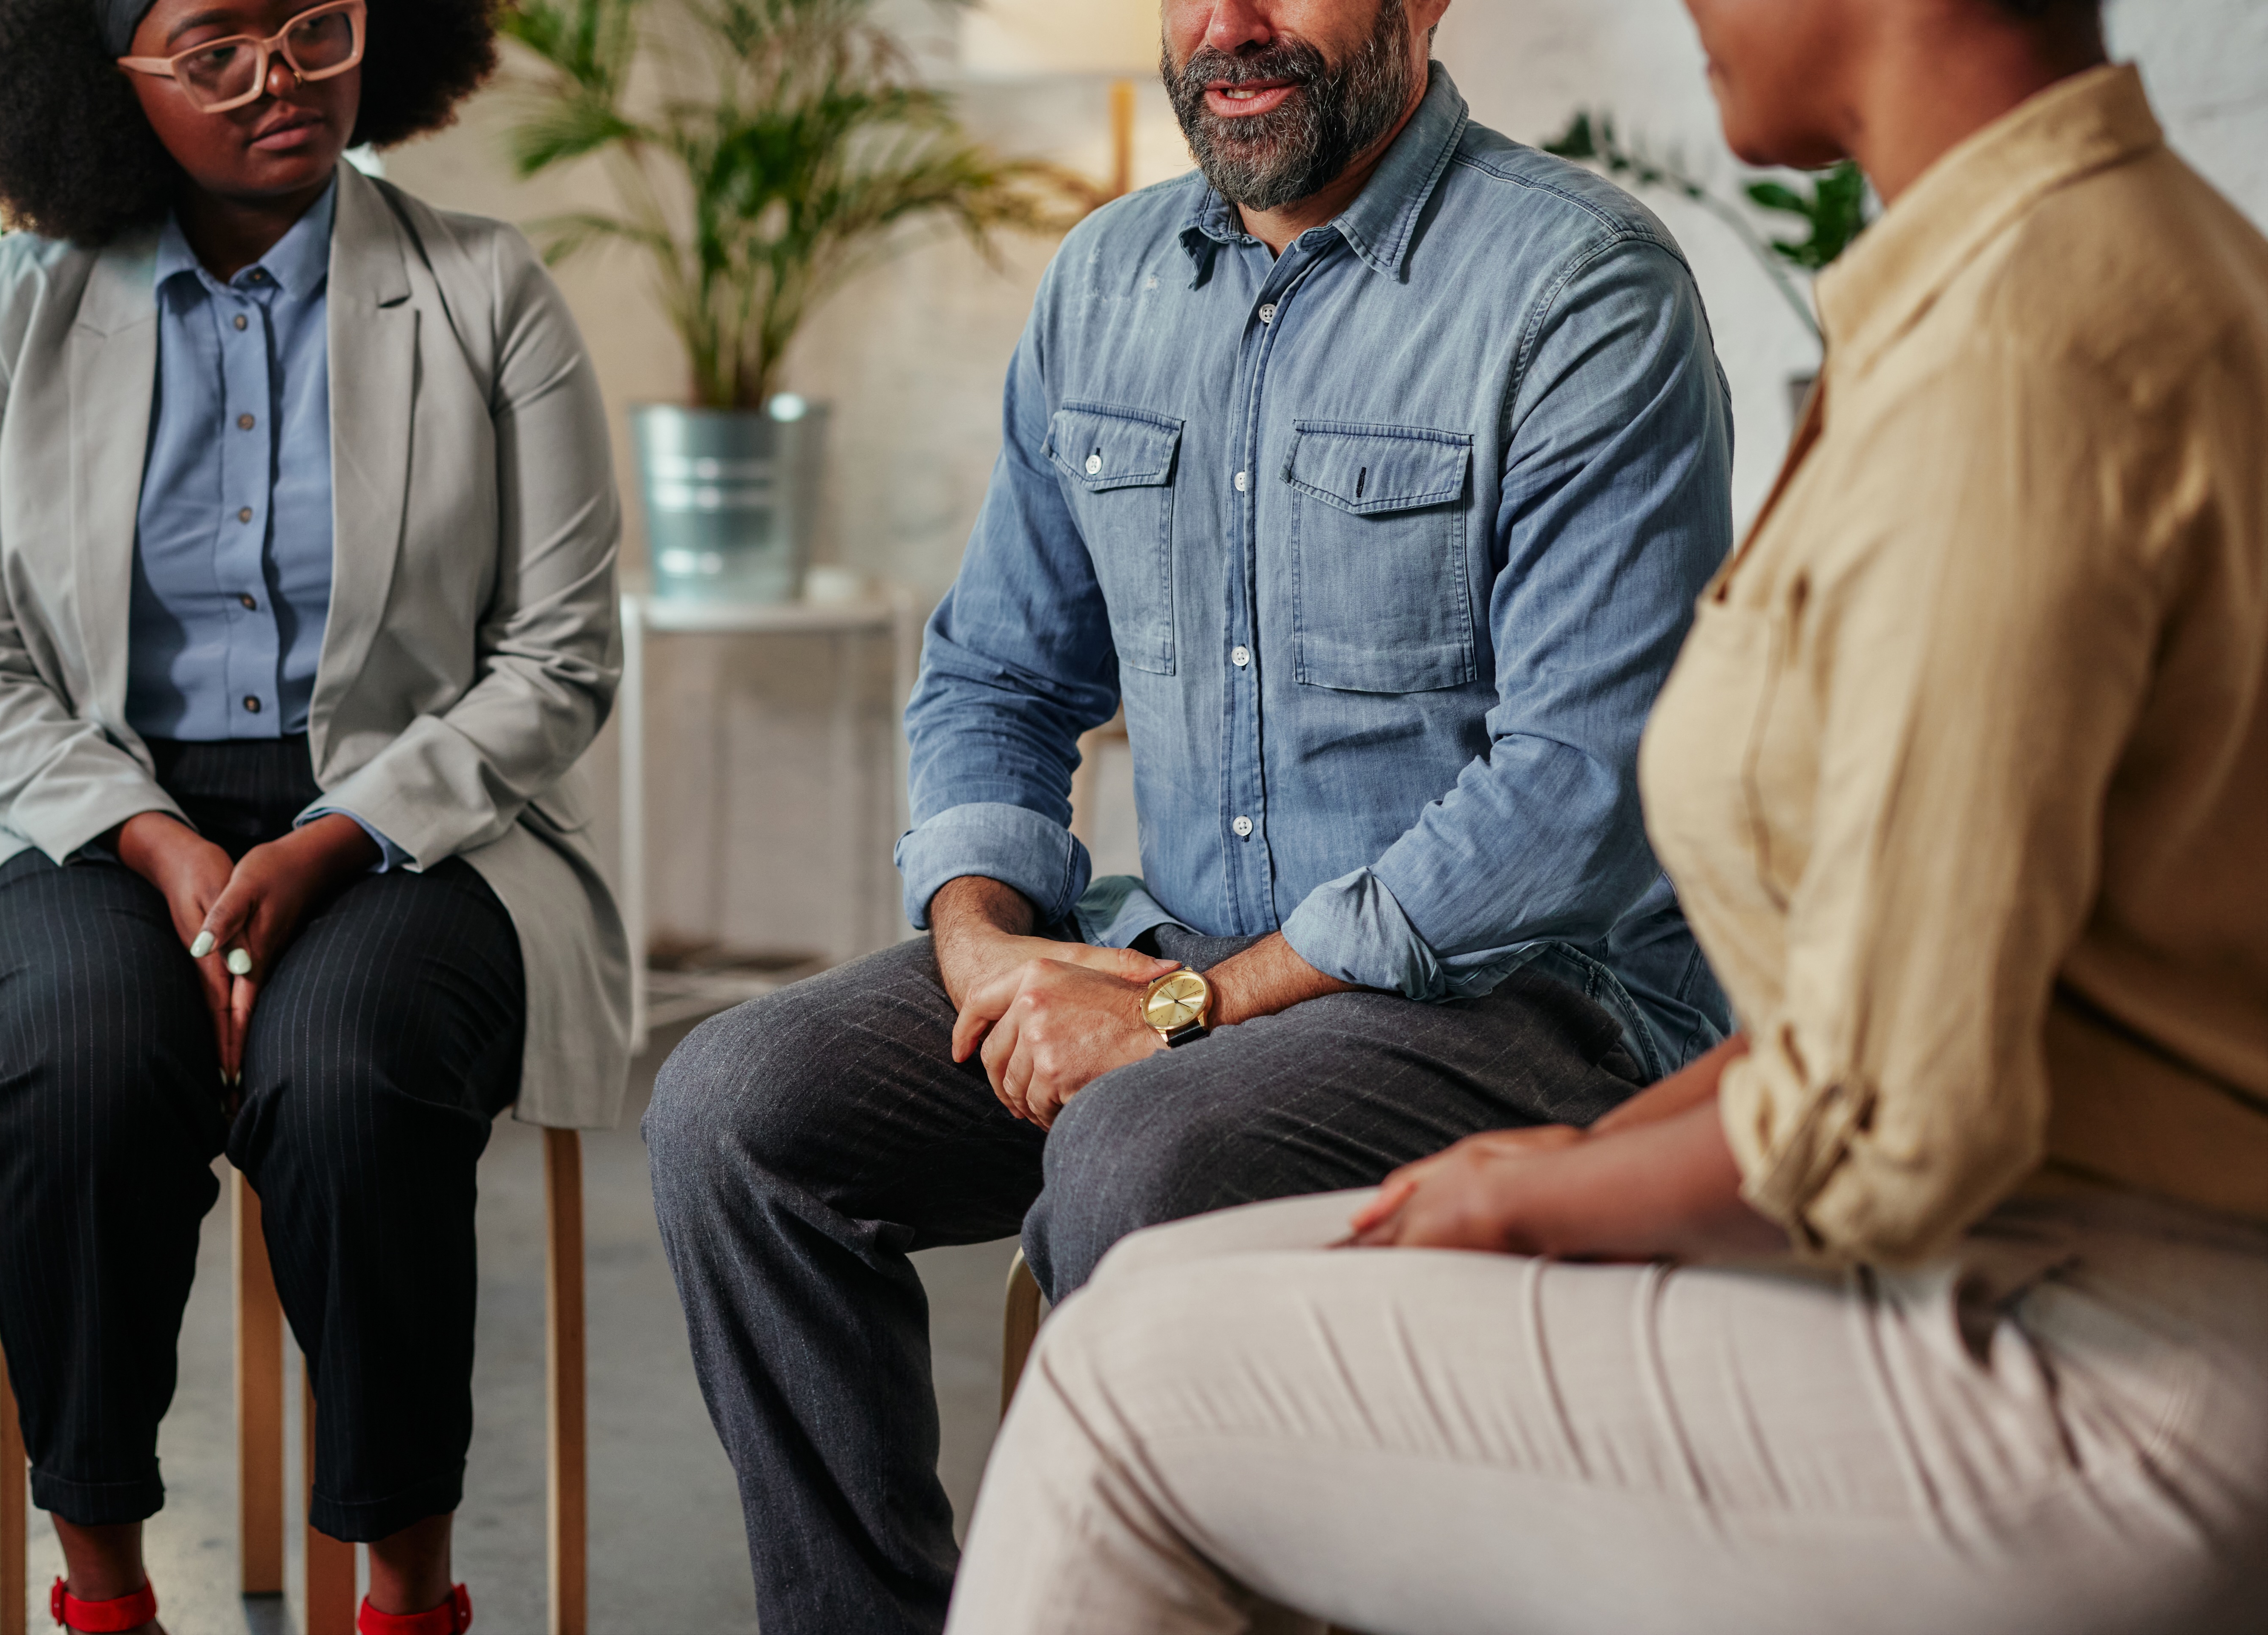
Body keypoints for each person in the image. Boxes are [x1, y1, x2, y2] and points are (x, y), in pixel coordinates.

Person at [947, 0, 2268, 1627]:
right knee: (1142, 1283)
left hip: (2062, 1347)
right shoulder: (2019, 276)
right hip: (1988, 1253)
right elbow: (1886, 997)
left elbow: (1891, 1116)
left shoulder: (2016, 351)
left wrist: (1523, 1188)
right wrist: (1555, 1163)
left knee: (1121, 1376)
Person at [640, 0, 1742, 1627]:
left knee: (1134, 1155)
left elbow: (1578, 795)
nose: (1229, 27)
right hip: (1178, 961)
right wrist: (989, 956)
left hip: (1522, 1004)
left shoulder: (1580, 288)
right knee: (731, 1109)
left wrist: (1179, 1008)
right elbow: (998, 679)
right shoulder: (1104, 281)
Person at [0, 0, 628, 1626]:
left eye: (312, 22)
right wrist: (155, 841)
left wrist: (334, 838)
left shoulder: (487, 289)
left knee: (354, 1077)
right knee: (83, 1065)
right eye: (212, 46)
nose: (278, 77)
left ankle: (407, 1594)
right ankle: (101, 1594)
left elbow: (562, 658)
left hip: (414, 821)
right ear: (105, 80)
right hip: (89, 815)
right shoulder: (19, 310)